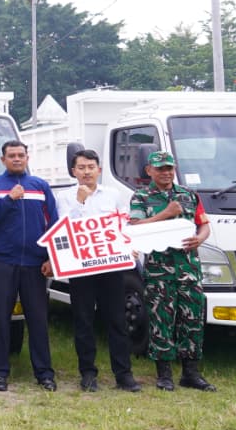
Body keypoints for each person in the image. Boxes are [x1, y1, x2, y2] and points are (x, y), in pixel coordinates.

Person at [52, 149, 141, 393]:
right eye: (81, 167)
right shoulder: (65, 197)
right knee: (83, 320)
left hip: (111, 267)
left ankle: (123, 374)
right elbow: (64, 227)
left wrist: (129, 247)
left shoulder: (113, 195)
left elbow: (124, 225)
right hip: (81, 268)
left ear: (98, 169)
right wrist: (80, 202)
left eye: (91, 166)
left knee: (116, 320)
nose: (86, 171)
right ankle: (88, 373)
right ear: (73, 171)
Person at [129, 150, 217, 392]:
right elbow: (134, 227)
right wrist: (166, 214)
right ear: (149, 171)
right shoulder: (141, 197)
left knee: (192, 320)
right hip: (160, 271)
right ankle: (164, 374)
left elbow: (204, 225)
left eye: (169, 168)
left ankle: (191, 373)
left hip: (189, 268)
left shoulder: (189, 195)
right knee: (161, 320)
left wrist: (200, 239)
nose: (166, 173)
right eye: (160, 168)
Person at [0, 140, 59, 392]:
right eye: (11, 155)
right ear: (2, 159)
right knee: (1, 320)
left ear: (28, 157)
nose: (16, 159)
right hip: (3, 262)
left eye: (20, 155)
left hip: (35, 264)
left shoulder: (41, 186)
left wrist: (50, 258)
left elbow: (54, 225)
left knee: (37, 320)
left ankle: (44, 373)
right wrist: (9, 200)